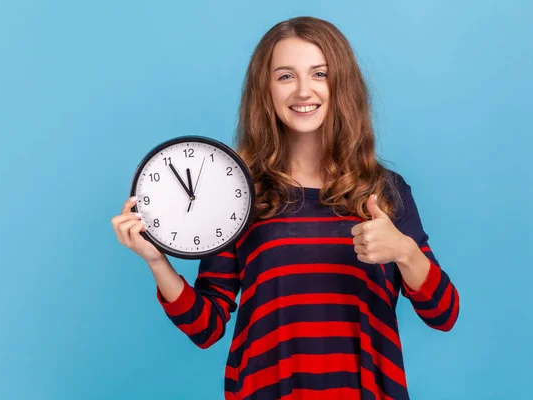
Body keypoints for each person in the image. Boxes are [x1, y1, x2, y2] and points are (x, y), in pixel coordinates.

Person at [111, 16, 459, 400]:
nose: (303, 90)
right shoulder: (238, 193)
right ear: (266, 90)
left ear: (341, 84)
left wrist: (405, 253)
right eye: (285, 76)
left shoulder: (385, 191)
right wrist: (157, 261)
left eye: (319, 73)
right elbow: (205, 328)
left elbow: (443, 314)